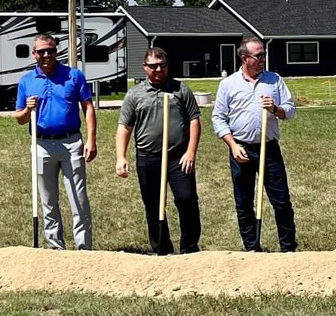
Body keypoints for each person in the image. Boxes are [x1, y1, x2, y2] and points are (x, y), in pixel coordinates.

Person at [211, 37, 297, 252]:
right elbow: (218, 118)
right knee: (244, 202)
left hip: (269, 149)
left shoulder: (274, 80)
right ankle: (252, 248)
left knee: (282, 201)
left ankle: (288, 248)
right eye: (258, 56)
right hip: (241, 149)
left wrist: (276, 109)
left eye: (263, 55)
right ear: (244, 58)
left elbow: (290, 109)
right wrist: (232, 144)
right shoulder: (228, 84)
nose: (262, 60)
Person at [13, 34, 96, 250]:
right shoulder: (26, 81)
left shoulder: (73, 76)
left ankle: (83, 248)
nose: (47, 55)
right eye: (41, 51)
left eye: (50, 50)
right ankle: (55, 248)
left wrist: (91, 140)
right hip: (41, 145)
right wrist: (28, 109)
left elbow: (88, 107)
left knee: (78, 198)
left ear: (56, 51)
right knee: (48, 200)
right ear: (34, 54)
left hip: (71, 143)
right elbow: (20, 119)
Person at [115, 47, 201, 255]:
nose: (158, 70)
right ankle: (161, 249)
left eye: (162, 65)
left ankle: (190, 247)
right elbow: (124, 127)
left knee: (186, 199)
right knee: (153, 205)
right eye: (153, 66)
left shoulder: (180, 90)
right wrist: (121, 157)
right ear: (145, 67)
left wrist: (191, 152)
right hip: (148, 158)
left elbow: (194, 121)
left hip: (178, 157)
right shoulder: (135, 94)